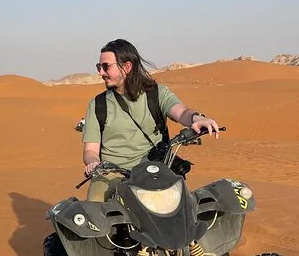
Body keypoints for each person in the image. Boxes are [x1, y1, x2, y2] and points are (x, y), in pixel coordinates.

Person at [82, 39, 221, 202]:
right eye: (99, 67)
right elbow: (90, 151)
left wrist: (196, 118)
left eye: (106, 67)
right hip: (112, 174)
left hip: (155, 170)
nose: (101, 73)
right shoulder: (98, 105)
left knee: (183, 206)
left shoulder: (156, 93)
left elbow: (181, 111)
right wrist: (94, 163)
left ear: (127, 67)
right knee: (95, 206)